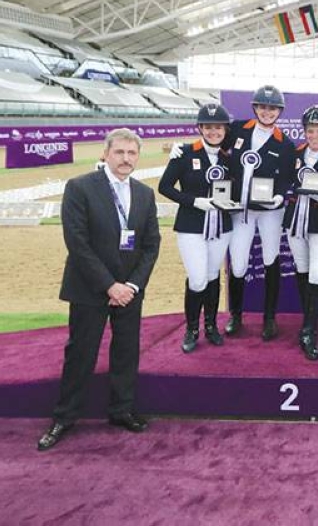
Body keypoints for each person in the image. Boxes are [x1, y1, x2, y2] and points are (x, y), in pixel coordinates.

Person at [38, 129, 161, 451]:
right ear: (106, 153)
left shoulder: (144, 194)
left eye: (131, 153)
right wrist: (109, 285)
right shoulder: (80, 187)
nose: (125, 159)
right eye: (119, 152)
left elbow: (151, 245)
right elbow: (77, 243)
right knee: (81, 353)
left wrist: (131, 285)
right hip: (90, 289)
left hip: (130, 291)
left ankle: (121, 410)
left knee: (126, 352)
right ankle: (64, 417)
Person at [221, 85, 296, 341]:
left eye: (272, 108)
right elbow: (214, 144)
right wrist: (187, 150)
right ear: (255, 108)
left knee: (270, 258)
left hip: (269, 211)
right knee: (239, 261)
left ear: (280, 111)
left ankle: (270, 318)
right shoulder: (238, 129)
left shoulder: (285, 144)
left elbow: (287, 178)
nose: (267, 112)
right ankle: (236, 315)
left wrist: (280, 196)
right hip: (240, 208)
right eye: (263, 107)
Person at [159, 104, 233, 354]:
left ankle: (210, 326)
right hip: (191, 225)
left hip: (222, 225)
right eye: (208, 127)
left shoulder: (229, 158)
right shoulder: (185, 153)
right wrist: (194, 201)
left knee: (212, 275)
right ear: (200, 128)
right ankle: (192, 329)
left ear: (225, 130)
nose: (213, 132)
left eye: (218, 127)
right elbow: (164, 187)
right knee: (198, 278)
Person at [284, 105, 318, 361]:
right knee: (302, 269)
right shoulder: (294, 154)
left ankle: (309, 331)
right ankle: (308, 322)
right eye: (311, 130)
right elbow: (280, 179)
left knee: (317, 273)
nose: (315, 136)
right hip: (294, 220)